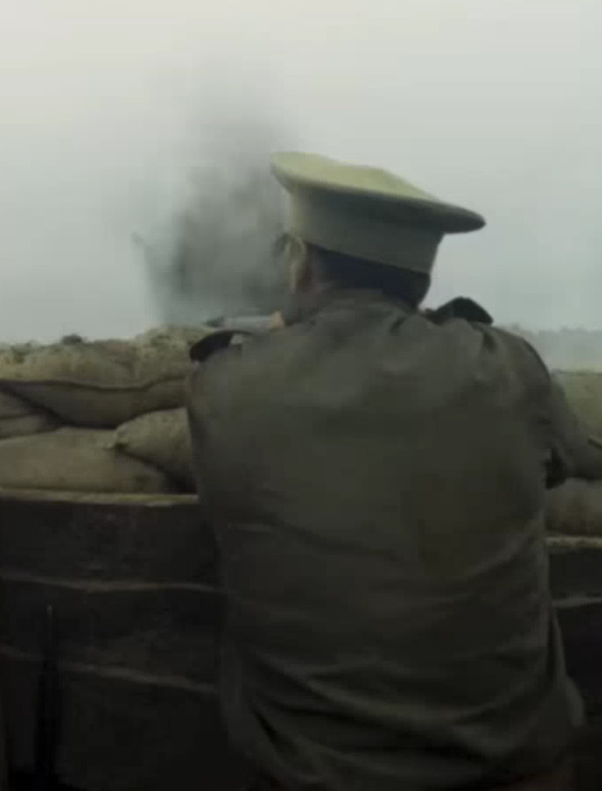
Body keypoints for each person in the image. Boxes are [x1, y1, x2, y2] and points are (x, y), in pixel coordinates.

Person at [188, 152, 600, 791]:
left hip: (312, 774)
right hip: (516, 769)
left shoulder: (225, 386)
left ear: (299, 261)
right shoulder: (508, 369)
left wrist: (280, 334)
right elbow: (573, 458)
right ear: (421, 283)